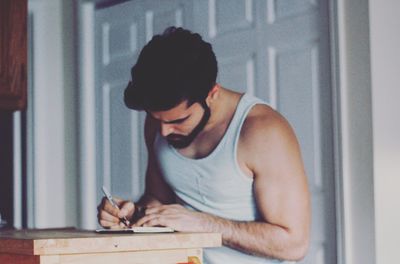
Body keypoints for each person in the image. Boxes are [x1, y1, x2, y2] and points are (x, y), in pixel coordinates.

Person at [97, 27, 310, 264]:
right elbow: (159, 198)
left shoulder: (263, 132)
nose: (164, 131)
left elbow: (294, 245)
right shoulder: (160, 121)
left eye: (179, 120)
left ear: (212, 93)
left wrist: (203, 224)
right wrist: (133, 213)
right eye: (157, 119)